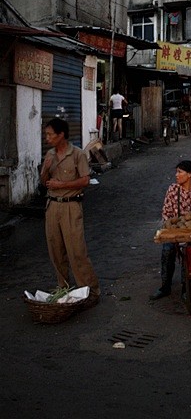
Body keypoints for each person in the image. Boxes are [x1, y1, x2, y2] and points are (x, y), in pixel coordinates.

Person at [40, 117, 100, 308]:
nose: (47, 138)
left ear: (61, 135)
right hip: (52, 207)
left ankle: (89, 291)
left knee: (76, 251)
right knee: (55, 250)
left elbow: (84, 181)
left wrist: (62, 185)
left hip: (71, 207)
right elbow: (44, 183)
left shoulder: (77, 154)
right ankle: (63, 288)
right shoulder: (49, 155)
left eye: (50, 134)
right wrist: (45, 170)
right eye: (46, 134)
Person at [150, 160, 191, 301]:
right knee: (167, 250)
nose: (176, 175)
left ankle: (185, 287)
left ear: (189, 174)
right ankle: (165, 286)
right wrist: (170, 228)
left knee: (189, 252)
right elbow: (166, 212)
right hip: (175, 231)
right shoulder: (173, 189)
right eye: (176, 172)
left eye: (180, 172)